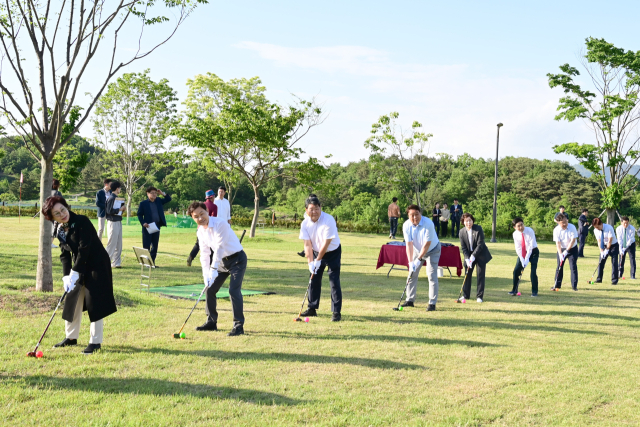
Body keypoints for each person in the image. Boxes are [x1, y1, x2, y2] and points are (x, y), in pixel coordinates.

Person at [42, 196, 117, 354]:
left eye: (63, 209)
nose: (62, 214)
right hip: (78, 266)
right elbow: (64, 255)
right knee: (72, 300)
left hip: (97, 265)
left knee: (93, 301)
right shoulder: (60, 229)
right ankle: (71, 337)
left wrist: (74, 273)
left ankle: (95, 342)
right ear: (52, 217)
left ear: (66, 206)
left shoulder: (82, 221)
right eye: (57, 213)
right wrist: (66, 276)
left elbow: (84, 249)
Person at [189, 201, 246, 336]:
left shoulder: (220, 224)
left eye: (202, 214)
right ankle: (211, 322)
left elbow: (219, 248)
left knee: (233, 290)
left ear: (207, 211)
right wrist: (206, 274)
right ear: (192, 218)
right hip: (222, 263)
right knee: (210, 289)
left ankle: (238, 326)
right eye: (196, 216)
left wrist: (213, 269)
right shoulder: (200, 231)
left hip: (237, 259)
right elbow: (204, 253)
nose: (200, 218)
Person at [299, 195, 342, 321]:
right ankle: (312, 308)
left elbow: (326, 243)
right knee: (313, 278)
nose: (314, 212)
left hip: (332, 251)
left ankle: (336, 312)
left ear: (320, 208)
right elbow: (307, 244)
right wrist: (310, 263)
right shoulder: (305, 223)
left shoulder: (328, 219)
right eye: (311, 209)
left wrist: (317, 260)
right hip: (316, 251)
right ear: (306, 210)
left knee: (334, 281)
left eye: (317, 208)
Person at [400, 204, 441, 311]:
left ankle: (432, 303)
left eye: (416, 214)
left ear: (420, 213)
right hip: (417, 250)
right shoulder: (406, 225)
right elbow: (409, 244)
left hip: (432, 250)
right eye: (412, 215)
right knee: (411, 274)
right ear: (408, 215)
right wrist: (410, 262)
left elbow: (427, 244)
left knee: (431, 275)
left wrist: (418, 259)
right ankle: (410, 300)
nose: (415, 217)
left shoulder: (428, 223)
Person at [458, 213, 492, 303]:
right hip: (469, 255)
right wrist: (467, 258)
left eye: (470, 220)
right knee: (467, 274)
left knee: (480, 275)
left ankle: (479, 296)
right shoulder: (461, 232)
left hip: (480, 254)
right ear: (463, 222)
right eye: (466, 221)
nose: (468, 222)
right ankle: (466, 295)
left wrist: (473, 256)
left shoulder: (478, 228)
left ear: (472, 221)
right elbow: (464, 247)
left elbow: (480, 244)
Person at [137, 186, 172, 263]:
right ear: (147, 194)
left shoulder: (158, 201)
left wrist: (162, 193)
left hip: (156, 226)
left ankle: (152, 262)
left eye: (155, 193)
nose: (154, 194)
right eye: (152, 193)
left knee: (155, 246)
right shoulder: (143, 204)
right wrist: (143, 223)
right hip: (147, 227)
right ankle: (146, 262)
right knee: (146, 245)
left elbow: (168, 199)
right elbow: (139, 215)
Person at [187, 190, 218, 266]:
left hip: (200, 227)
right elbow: (213, 218)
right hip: (209, 227)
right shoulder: (214, 206)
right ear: (212, 197)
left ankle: (190, 257)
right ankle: (211, 263)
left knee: (198, 244)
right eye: (214, 196)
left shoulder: (201, 205)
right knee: (211, 245)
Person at [509, 217, 539, 297]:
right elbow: (518, 248)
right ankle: (514, 290)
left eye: (521, 225)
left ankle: (534, 291)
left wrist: (526, 259)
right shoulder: (515, 234)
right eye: (518, 226)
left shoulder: (529, 231)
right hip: (522, 253)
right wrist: (522, 260)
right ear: (514, 227)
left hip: (533, 252)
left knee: (533, 272)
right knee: (516, 271)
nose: (521, 227)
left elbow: (530, 246)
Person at [552, 213, 579, 291]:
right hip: (562, 249)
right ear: (558, 222)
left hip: (572, 249)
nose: (565, 224)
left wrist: (567, 251)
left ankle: (574, 286)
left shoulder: (572, 227)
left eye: (566, 222)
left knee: (573, 267)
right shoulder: (556, 230)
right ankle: (557, 285)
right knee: (559, 267)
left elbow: (573, 240)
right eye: (563, 223)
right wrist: (560, 253)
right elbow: (558, 243)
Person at [592, 217, 619, 285]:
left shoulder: (609, 227)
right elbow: (599, 241)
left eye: (598, 227)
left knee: (614, 263)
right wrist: (601, 251)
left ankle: (614, 280)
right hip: (603, 245)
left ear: (601, 224)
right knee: (601, 262)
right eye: (595, 227)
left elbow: (610, 240)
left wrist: (607, 250)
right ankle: (599, 279)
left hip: (613, 246)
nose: (597, 228)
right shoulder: (595, 230)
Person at [105, 181, 125, 268]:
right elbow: (109, 211)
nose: (120, 189)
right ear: (117, 188)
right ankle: (105, 262)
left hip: (118, 221)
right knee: (112, 243)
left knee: (118, 244)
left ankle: (116, 263)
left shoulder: (116, 198)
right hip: (112, 222)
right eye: (120, 188)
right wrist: (119, 209)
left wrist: (121, 210)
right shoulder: (111, 198)